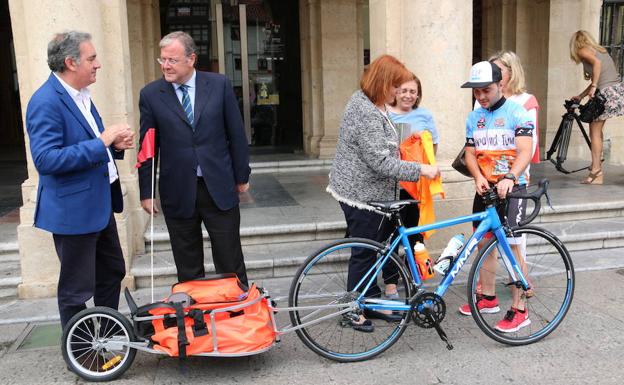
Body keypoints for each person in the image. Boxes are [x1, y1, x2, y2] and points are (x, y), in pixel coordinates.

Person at [26, 31, 134, 329]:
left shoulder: (82, 96)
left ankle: (109, 335)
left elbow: (89, 146)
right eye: (92, 58)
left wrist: (113, 147)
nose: (98, 64)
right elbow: (46, 160)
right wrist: (102, 142)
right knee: (76, 288)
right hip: (73, 211)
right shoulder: (46, 101)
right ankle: (83, 353)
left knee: (112, 271)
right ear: (71, 62)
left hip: (99, 204)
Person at [327, 55, 440, 332]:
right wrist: (420, 169)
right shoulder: (364, 110)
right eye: (395, 86)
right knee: (364, 252)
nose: (397, 93)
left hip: (371, 193)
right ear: (384, 83)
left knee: (373, 249)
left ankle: (370, 302)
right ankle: (352, 309)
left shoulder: (374, 104)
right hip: (360, 195)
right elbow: (379, 161)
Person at [137, 31, 250, 285]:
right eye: (162, 60)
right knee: (188, 268)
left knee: (230, 261)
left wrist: (242, 176)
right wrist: (146, 191)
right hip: (177, 190)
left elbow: (236, 134)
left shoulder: (219, 85)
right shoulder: (151, 95)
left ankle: (237, 317)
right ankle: (196, 322)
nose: (165, 65)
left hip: (219, 187)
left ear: (191, 59)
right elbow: (147, 146)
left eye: (172, 60)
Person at [457, 61, 535, 333]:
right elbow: (470, 152)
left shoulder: (518, 112)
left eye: (486, 90)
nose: (481, 96)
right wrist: (478, 176)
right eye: (476, 91)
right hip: (485, 189)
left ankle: (520, 309)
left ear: (501, 85)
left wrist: (510, 177)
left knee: (512, 247)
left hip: (512, 188)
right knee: (483, 243)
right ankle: (488, 298)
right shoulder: (474, 116)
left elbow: (525, 150)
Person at [386, 73, 440, 298]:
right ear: (395, 91)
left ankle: (414, 279)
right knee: (391, 236)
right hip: (391, 184)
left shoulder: (424, 114)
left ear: (418, 94)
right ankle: (390, 284)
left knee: (414, 234)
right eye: (404, 90)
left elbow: (433, 145)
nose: (408, 95)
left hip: (416, 186)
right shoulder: (385, 114)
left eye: (413, 91)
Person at [570, 30, 624, 184]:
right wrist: (581, 96)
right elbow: (597, 77)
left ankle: (596, 171)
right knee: (596, 131)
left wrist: (593, 87)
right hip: (614, 91)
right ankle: (596, 167)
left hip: (606, 93)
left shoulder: (583, 50)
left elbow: (597, 69)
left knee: (594, 132)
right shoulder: (599, 50)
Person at [485, 51, 540, 170]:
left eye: (499, 70)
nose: (494, 75)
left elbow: (531, 144)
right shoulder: (483, 100)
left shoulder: (526, 100)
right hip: (486, 170)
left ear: (512, 72)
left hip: (514, 174)